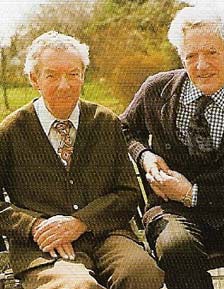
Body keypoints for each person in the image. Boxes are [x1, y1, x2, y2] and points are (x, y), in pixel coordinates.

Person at [120, 7, 224, 289]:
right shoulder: (157, 90)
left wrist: (192, 194)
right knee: (174, 246)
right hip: (172, 212)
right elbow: (121, 130)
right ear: (181, 57)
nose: (201, 65)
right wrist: (144, 155)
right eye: (191, 56)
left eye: (211, 53)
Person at [0, 31, 164, 289]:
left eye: (73, 74)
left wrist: (81, 222)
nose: (64, 85)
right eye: (52, 75)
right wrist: (34, 226)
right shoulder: (10, 131)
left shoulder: (105, 122)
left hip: (106, 235)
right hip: (44, 247)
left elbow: (128, 193)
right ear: (34, 78)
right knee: (77, 287)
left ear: (83, 76)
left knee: (142, 272)